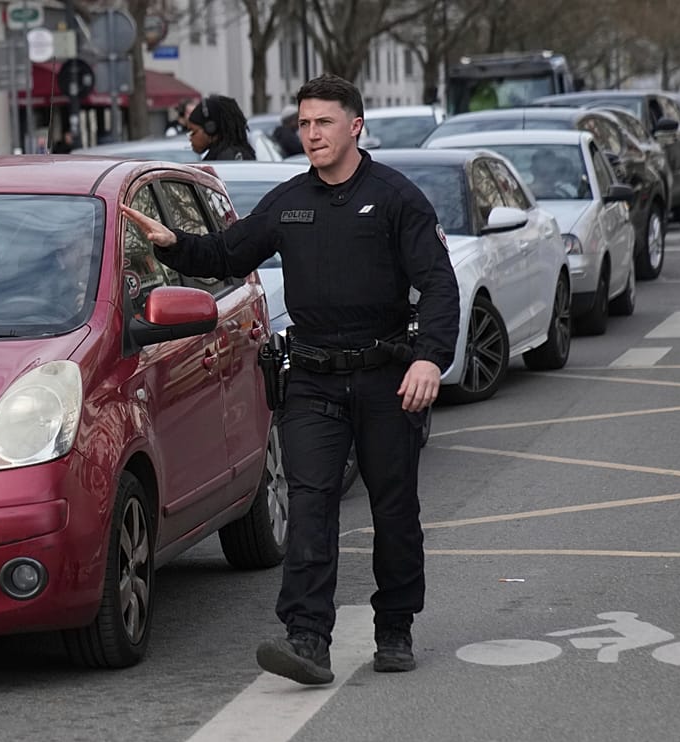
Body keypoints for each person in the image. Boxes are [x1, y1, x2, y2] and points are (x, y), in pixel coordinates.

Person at [120, 74, 460, 685]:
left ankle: (395, 629)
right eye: (303, 124)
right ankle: (307, 639)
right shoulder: (288, 201)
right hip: (312, 381)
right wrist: (173, 244)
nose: (311, 134)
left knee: (394, 510)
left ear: (355, 126)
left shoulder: (395, 198)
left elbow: (439, 283)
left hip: (386, 378)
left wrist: (429, 359)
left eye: (323, 122)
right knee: (309, 507)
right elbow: (228, 253)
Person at [185, 95, 256, 161]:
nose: (190, 138)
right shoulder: (231, 155)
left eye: (193, 132)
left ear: (210, 129)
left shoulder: (226, 160)